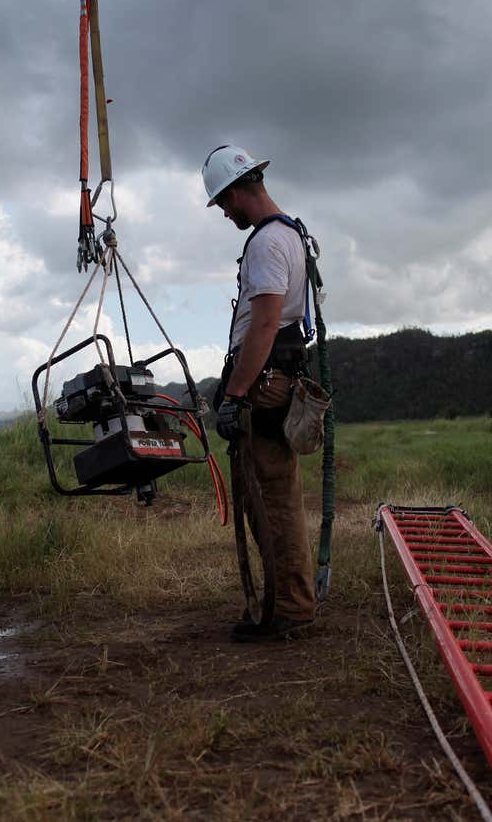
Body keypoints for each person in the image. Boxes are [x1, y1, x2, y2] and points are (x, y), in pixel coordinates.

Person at [202, 145, 317, 642]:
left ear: (237, 191)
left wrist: (235, 393)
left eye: (224, 204)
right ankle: (287, 603)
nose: (225, 214)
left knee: (271, 501)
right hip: (276, 379)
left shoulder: (268, 243)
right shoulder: (290, 234)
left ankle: (291, 612)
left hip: (266, 383)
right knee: (268, 497)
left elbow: (266, 322)